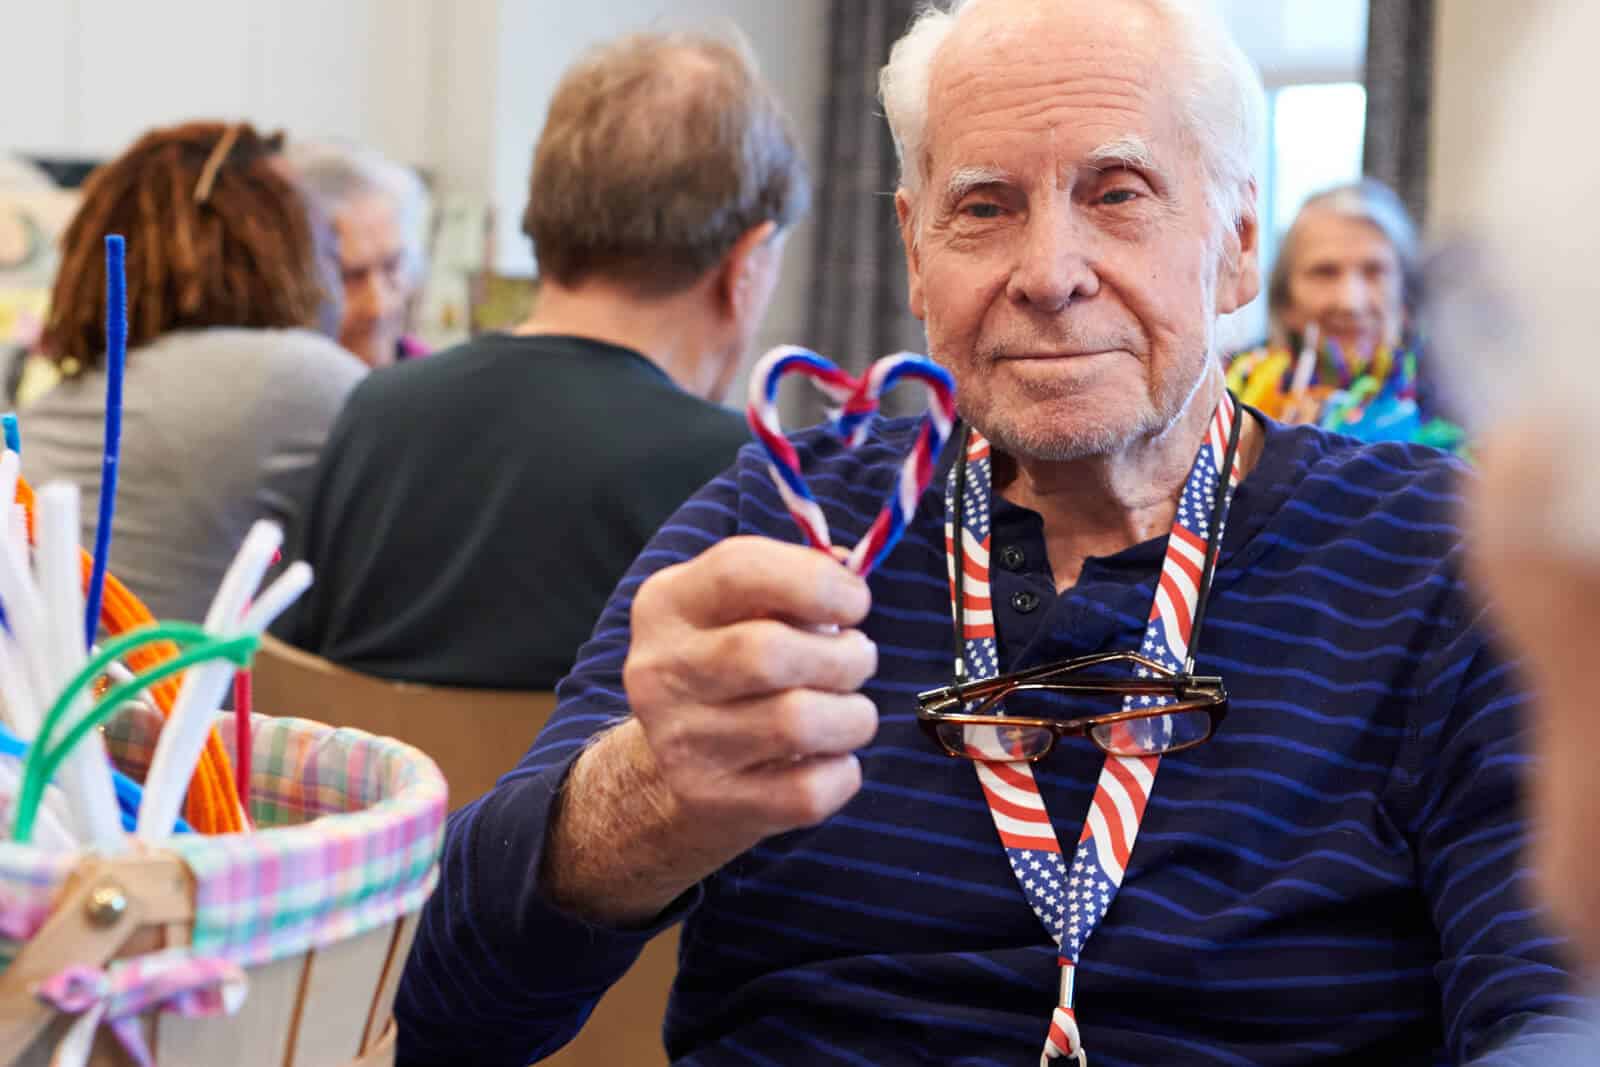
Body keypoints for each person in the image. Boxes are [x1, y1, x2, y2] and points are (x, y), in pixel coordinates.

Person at [395, 1, 1588, 1063]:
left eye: (1117, 193)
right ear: (915, 253)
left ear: (1234, 246)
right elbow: (447, 1010)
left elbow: (1556, 1006)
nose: (1049, 270)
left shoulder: (1437, 557)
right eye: (985, 206)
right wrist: (650, 793)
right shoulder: (784, 524)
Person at [273, 30, 809, 690]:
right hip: (584, 797)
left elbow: (286, 678)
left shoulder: (375, 411)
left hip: (382, 794)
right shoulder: (745, 475)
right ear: (746, 265)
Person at [25, 121, 364, 623]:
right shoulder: (291, 377)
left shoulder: (55, 405)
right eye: (329, 249)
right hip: (162, 699)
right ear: (276, 247)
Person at [1226, 180, 1461, 448]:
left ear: (1405, 298)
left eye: (1374, 271)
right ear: (1285, 300)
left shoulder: (1459, 409)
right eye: (1324, 272)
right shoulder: (1231, 397)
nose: (1350, 301)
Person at [281, 140, 431, 367]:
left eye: (392, 266)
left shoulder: (433, 380)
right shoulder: (273, 390)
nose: (379, 307)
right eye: (349, 277)